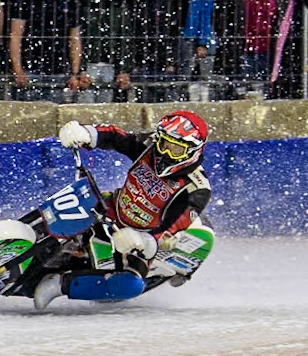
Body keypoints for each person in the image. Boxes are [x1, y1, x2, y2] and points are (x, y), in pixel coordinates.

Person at [34, 111, 212, 309]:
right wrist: (86, 133)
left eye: (176, 149)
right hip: (112, 207)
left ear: (193, 151)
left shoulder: (197, 188)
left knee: (130, 285)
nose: (165, 153)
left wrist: (145, 241)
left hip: (137, 238)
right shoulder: (151, 147)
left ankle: (59, 285)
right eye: (164, 144)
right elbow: (116, 137)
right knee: (66, 210)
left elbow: (173, 227)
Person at [9, 0, 86, 102]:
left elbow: (75, 40)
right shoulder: (26, 0)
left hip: (58, 69)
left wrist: (74, 73)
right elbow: (16, 36)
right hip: (30, 68)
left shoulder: (68, 3)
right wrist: (18, 70)